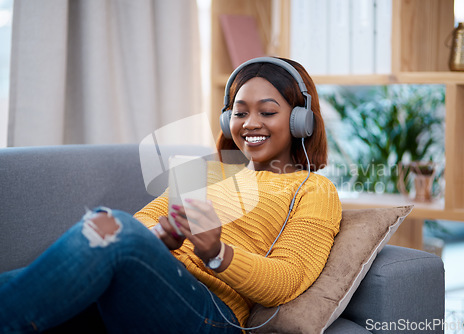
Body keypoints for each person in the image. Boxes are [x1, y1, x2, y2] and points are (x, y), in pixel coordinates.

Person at [0, 57, 341, 333]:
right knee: (81, 257)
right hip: (151, 289)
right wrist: (161, 235)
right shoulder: (205, 171)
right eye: (239, 112)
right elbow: (143, 222)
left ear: (301, 121)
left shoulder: (312, 189)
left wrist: (217, 253)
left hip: (211, 315)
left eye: (267, 112)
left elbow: (287, 280)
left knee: (109, 225)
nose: (250, 123)